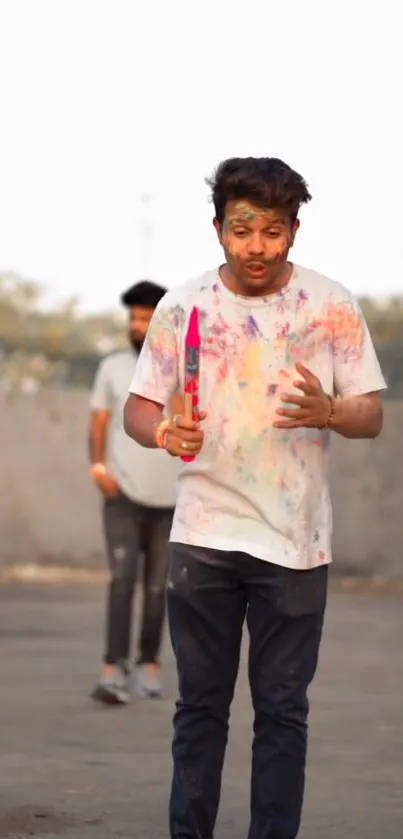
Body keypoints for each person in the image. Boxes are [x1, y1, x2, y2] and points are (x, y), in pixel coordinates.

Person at [123, 158, 386, 838]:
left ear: (294, 231)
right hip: (203, 536)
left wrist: (328, 409)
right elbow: (137, 409)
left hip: (294, 542)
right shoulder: (182, 306)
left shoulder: (329, 305)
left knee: (281, 711)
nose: (258, 247)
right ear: (218, 229)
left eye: (273, 230)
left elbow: (369, 415)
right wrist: (162, 430)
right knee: (200, 709)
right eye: (242, 230)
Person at [89, 280, 180, 705]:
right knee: (123, 580)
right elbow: (100, 421)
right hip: (122, 493)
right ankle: (112, 670)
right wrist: (99, 467)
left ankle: (148, 668)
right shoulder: (111, 367)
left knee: (159, 587)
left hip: (171, 501)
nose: (138, 326)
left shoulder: (181, 367)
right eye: (134, 318)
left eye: (146, 318)